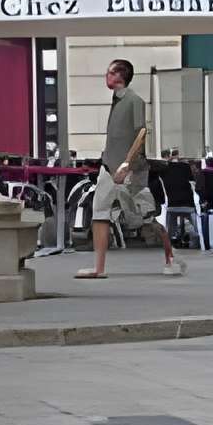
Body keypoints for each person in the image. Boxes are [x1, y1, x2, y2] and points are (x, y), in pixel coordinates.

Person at [79, 57, 182, 280]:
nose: (107, 76)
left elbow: (141, 133)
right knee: (100, 213)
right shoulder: (115, 101)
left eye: (111, 73)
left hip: (131, 171)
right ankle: (99, 267)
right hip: (109, 167)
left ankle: (170, 255)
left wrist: (127, 163)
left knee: (144, 218)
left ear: (120, 76)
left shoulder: (135, 100)